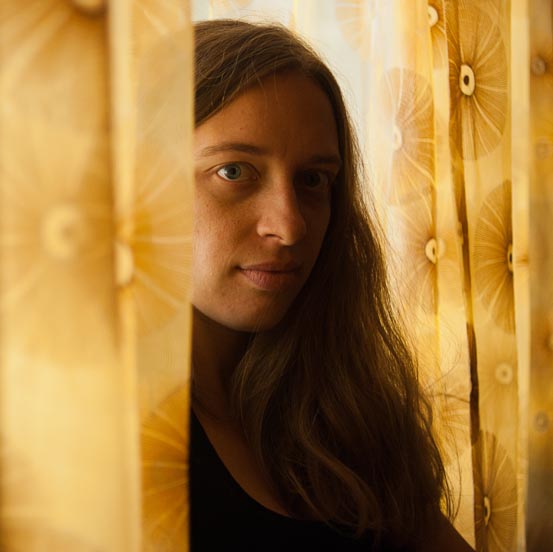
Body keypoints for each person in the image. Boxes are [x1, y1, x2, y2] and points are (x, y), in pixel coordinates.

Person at [188, 20, 473, 552]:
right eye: (234, 172)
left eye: (313, 180)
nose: (290, 225)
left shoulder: (339, 409)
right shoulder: (85, 434)